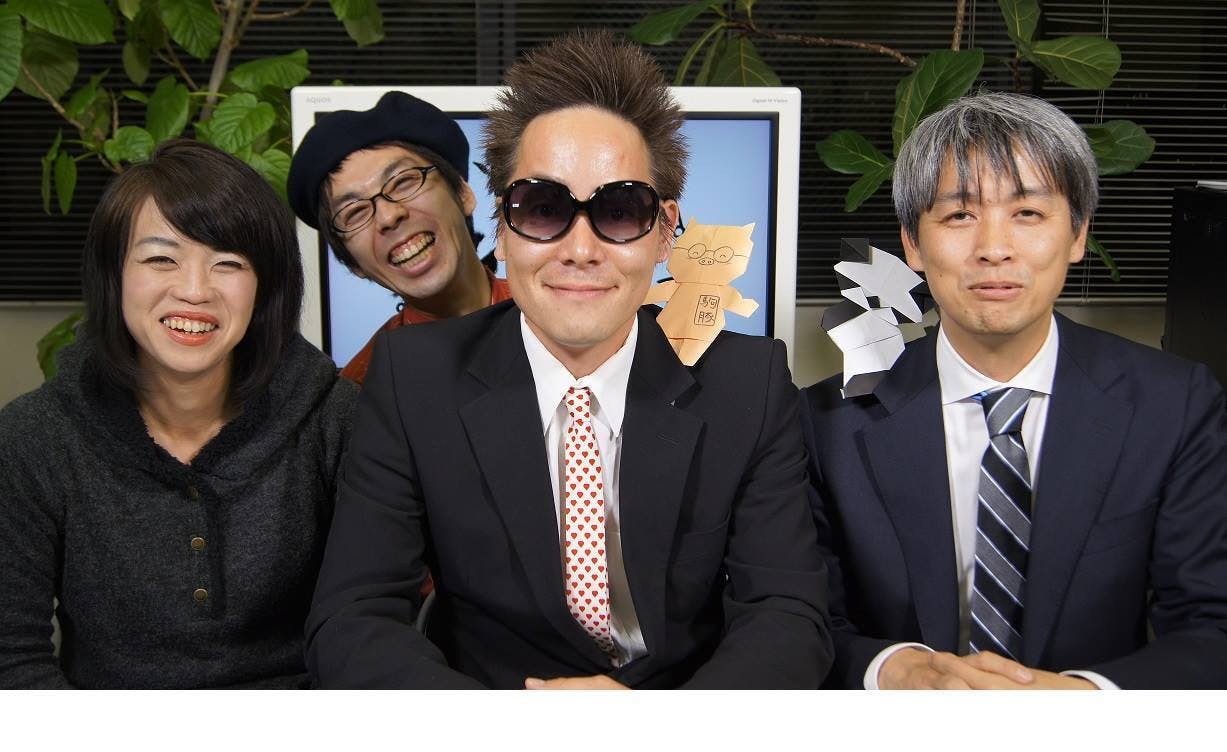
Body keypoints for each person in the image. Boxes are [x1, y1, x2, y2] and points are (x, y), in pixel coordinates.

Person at [305, 30, 832, 689]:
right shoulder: (412, 378)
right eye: (543, 208)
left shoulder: (748, 383)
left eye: (620, 210)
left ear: (665, 232)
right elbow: (352, 618)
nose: (580, 250)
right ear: (502, 227)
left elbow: (786, 614)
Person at [801, 92, 1227, 689]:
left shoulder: (1174, 405)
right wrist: (895, 672)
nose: (994, 248)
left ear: (1077, 235)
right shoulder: (827, 421)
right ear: (912, 244)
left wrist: (1080, 697)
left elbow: (1212, 624)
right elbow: (801, 619)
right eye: (959, 216)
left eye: (1027, 213)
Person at [0, 140, 358, 689]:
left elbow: (370, 626)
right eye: (160, 259)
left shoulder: (337, 420)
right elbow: (12, 658)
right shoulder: (33, 440)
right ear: (114, 273)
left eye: (228, 264)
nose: (194, 290)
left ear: (265, 288)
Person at [287, 90, 510, 384]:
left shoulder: (557, 317)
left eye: (404, 182)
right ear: (353, 264)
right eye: (354, 212)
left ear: (463, 194)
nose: (388, 216)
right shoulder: (361, 393)